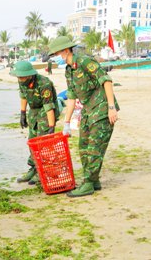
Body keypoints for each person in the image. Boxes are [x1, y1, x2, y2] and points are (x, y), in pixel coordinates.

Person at [48, 36, 119, 197]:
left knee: (94, 148)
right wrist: (66, 123)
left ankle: (88, 183)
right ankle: (93, 181)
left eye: (57, 53)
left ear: (66, 51)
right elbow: (71, 97)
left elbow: (106, 81)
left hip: (102, 108)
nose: (56, 57)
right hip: (87, 110)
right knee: (83, 147)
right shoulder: (69, 70)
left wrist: (111, 107)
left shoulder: (85, 62)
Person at [10, 60, 59, 185]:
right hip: (33, 110)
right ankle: (33, 168)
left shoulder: (44, 83)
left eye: (22, 77)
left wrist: (51, 126)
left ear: (30, 75)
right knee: (32, 140)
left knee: (42, 142)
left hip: (46, 110)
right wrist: (22, 113)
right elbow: (23, 95)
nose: (20, 79)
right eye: (18, 77)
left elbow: (49, 106)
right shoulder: (22, 80)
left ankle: (42, 172)